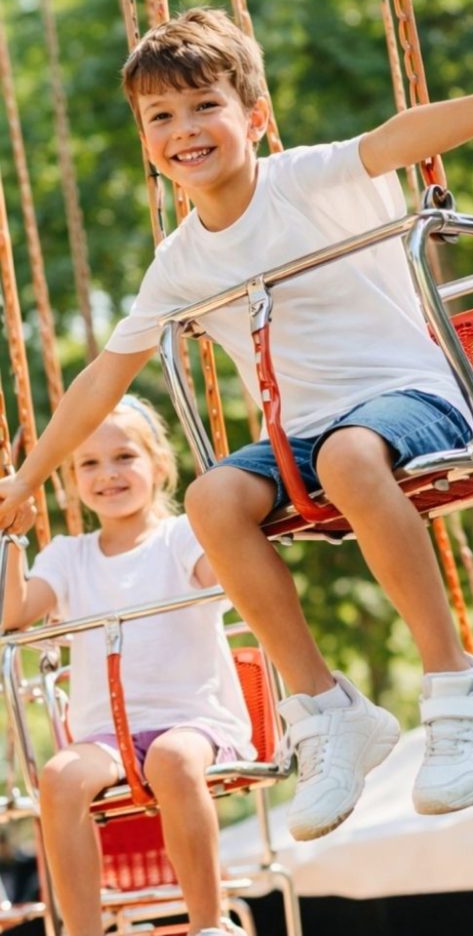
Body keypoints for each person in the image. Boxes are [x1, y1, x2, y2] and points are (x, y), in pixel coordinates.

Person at [0, 7, 473, 843]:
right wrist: (27, 477)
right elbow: (103, 380)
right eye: (160, 116)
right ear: (145, 141)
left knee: (348, 456)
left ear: (256, 118)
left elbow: (397, 138)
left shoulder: (304, 180)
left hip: (412, 397)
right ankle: (327, 707)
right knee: (213, 498)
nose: (184, 130)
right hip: (301, 438)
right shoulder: (179, 262)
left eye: (205, 106)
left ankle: (461, 688)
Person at [1, 397, 252, 936]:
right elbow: (12, 614)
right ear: (71, 481)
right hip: (108, 736)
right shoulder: (68, 556)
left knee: (171, 758)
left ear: (158, 464)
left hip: (193, 722)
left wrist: (232, 517)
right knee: (59, 777)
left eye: (124, 457)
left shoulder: (181, 536)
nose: (107, 474)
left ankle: (208, 923)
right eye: (89, 464)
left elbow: (229, 574)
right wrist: (13, 537)